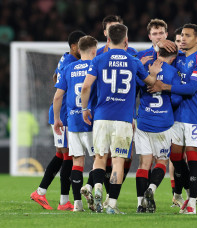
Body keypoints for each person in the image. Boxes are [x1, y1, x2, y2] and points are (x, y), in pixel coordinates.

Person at [80, 24, 161, 214]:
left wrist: (85, 109)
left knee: (100, 158)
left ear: (107, 40)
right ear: (126, 40)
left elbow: (85, 88)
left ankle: (98, 187)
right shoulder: (134, 62)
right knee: (117, 162)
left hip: (101, 117)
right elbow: (150, 83)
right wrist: (154, 74)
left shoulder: (99, 59)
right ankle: (112, 206)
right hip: (124, 119)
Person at [148, 23, 197, 214]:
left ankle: (192, 202)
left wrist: (164, 87)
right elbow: (159, 60)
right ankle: (184, 194)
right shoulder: (178, 58)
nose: (183, 38)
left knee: (193, 156)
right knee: (175, 158)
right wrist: (160, 44)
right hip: (174, 116)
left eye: (188, 36)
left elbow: (191, 88)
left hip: (193, 115)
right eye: (181, 35)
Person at [30, 30, 86, 211]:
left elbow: (55, 78)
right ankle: (43, 192)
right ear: (73, 46)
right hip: (62, 115)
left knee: (64, 156)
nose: (83, 48)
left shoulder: (65, 58)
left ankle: (61, 200)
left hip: (63, 113)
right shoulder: (73, 62)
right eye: (81, 45)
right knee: (67, 156)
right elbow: (59, 84)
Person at [53, 35, 98, 212]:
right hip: (91, 120)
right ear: (94, 50)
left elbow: (58, 96)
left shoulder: (69, 68)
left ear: (79, 50)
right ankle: (89, 187)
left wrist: (57, 119)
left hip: (72, 121)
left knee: (77, 161)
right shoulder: (96, 66)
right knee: (99, 160)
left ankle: (77, 203)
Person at [135, 44, 181, 213]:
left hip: (144, 122)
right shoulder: (172, 72)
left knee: (143, 164)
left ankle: (140, 204)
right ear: (173, 58)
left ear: (158, 53)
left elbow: (137, 88)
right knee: (161, 161)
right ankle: (152, 189)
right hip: (163, 123)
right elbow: (176, 99)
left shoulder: (146, 68)